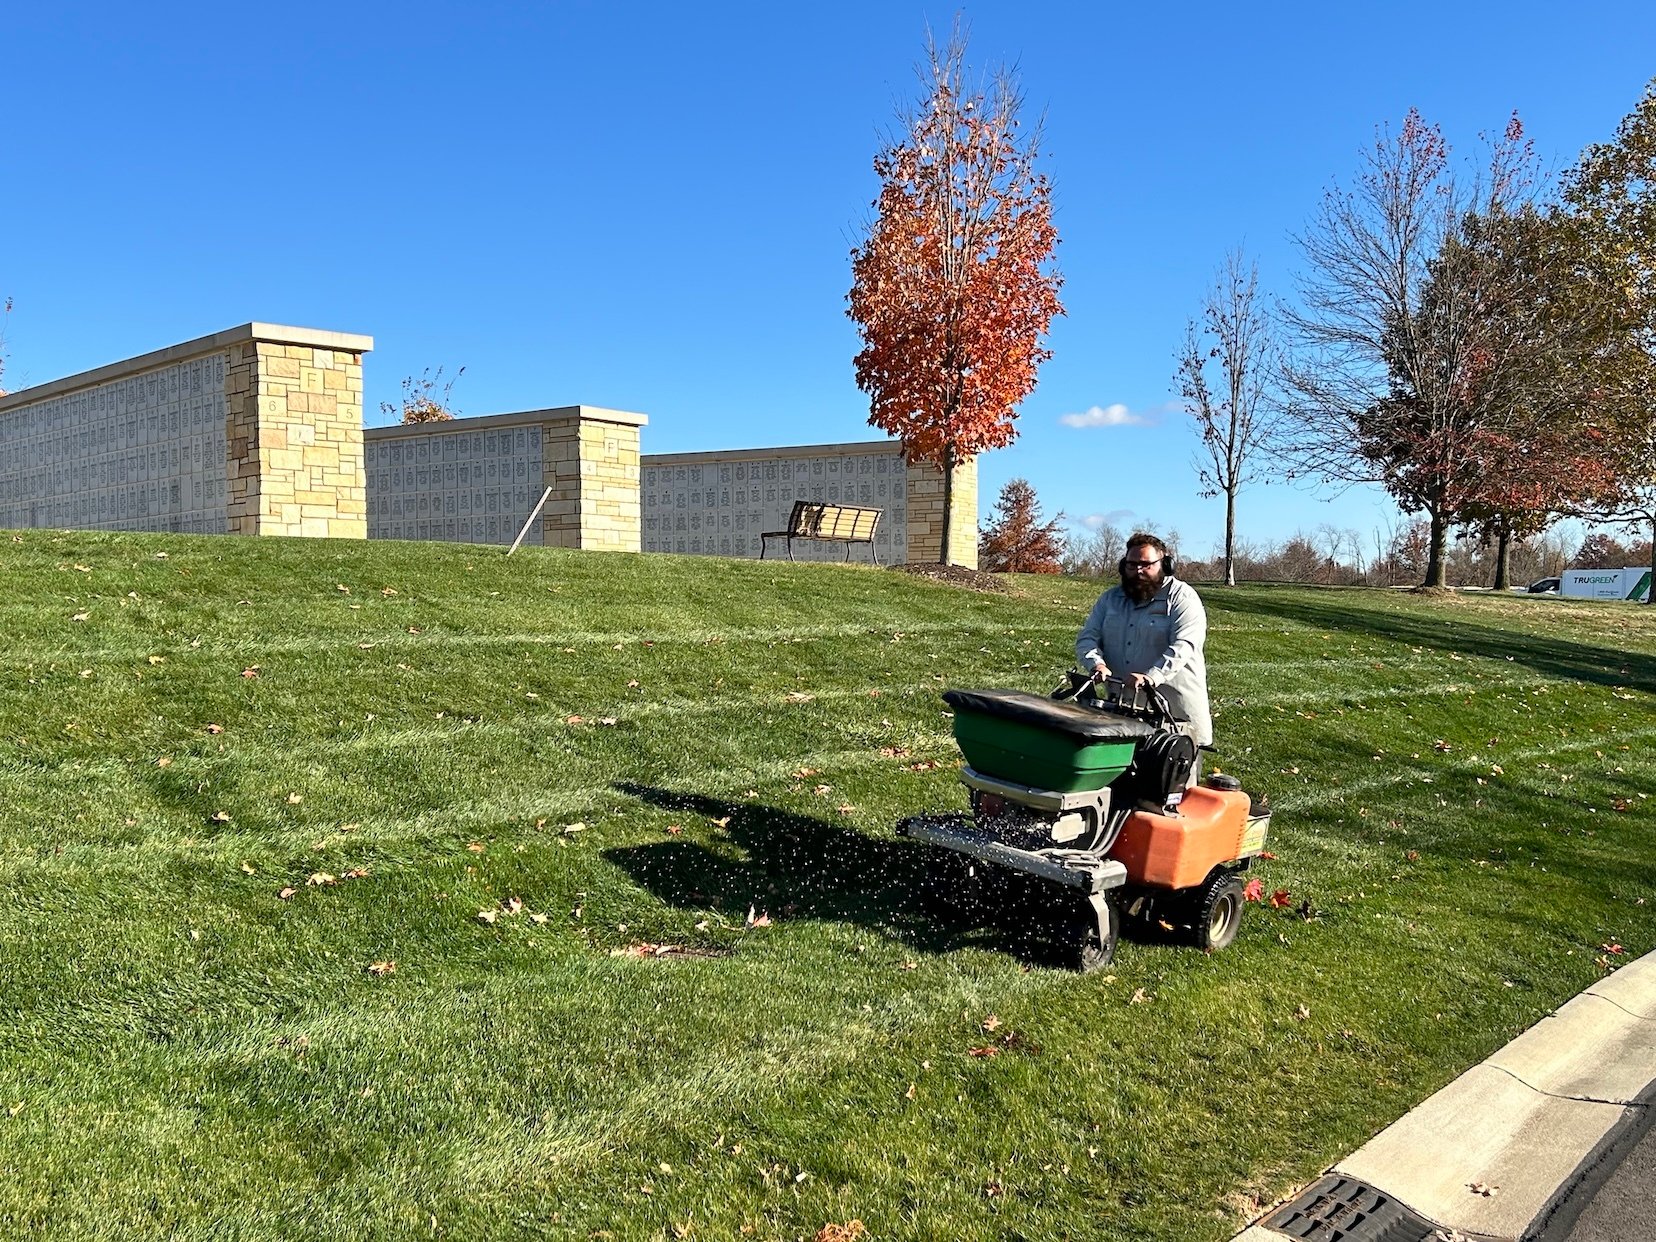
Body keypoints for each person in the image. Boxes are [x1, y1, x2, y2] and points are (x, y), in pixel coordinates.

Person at [1074, 532, 1212, 749]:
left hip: (1175, 720)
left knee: (1172, 770)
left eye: (1146, 565)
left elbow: (1184, 646)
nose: (1138, 571)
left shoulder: (1182, 598)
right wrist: (1096, 663)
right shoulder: (1110, 599)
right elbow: (1087, 637)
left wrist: (1151, 677)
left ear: (1164, 564)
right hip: (1122, 714)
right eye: (1132, 565)